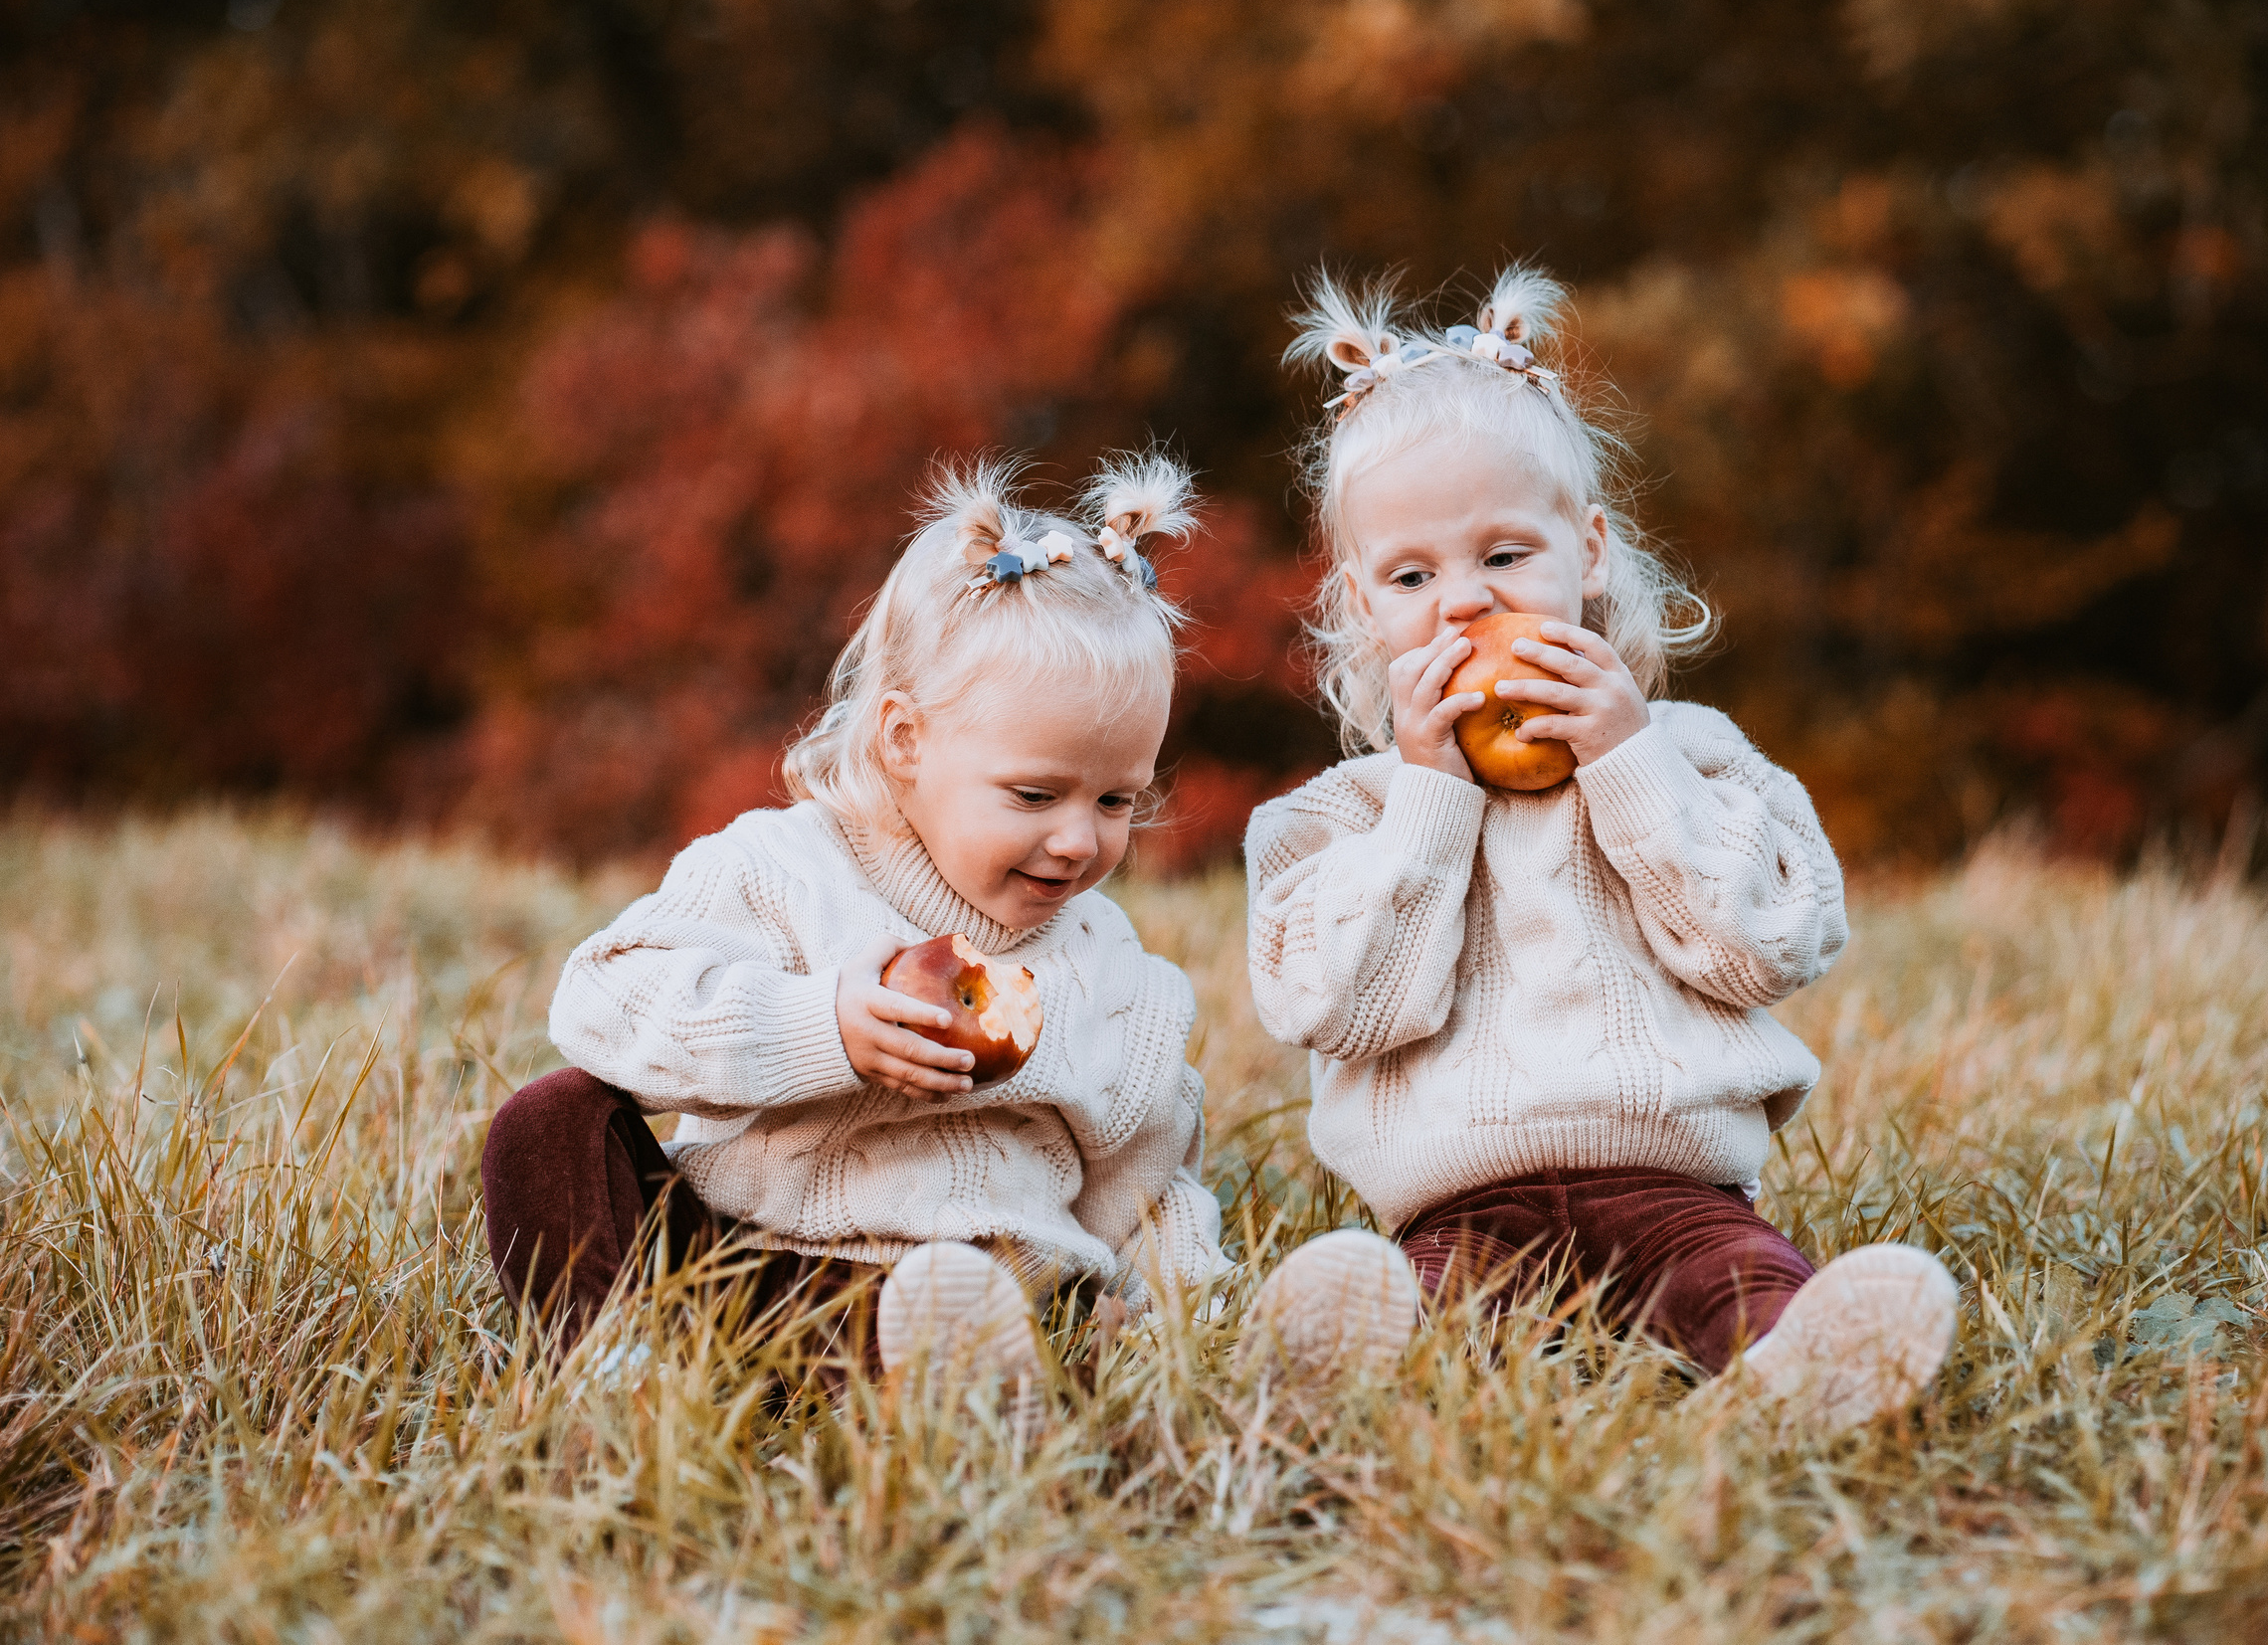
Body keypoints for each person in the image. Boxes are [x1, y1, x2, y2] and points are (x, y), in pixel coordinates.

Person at [482, 454, 1400, 1409]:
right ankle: (614, 1379)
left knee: (971, 1311)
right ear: (904, 741)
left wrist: (1189, 1317)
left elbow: (1147, 1186)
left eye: (1119, 797)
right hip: (735, 1279)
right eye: (1035, 794)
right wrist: (820, 1027)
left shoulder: (1107, 971)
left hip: (988, 1300)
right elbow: (601, 1000)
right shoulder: (783, 870)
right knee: (550, 1124)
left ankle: (1248, 1377)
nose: (1080, 839)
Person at [1241, 269, 1960, 1431]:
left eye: (1505, 555)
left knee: (1735, 1284)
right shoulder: (1339, 818)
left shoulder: (1689, 756)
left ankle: (1791, 1380)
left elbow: (1764, 947)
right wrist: (1431, 796)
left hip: (1677, 1188)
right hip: (1459, 1209)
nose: (1464, 604)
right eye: (1412, 576)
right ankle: (1341, 1383)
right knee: (1419, 1310)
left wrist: (1630, 766)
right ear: (1360, 603)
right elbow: (1344, 1010)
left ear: (1589, 551)